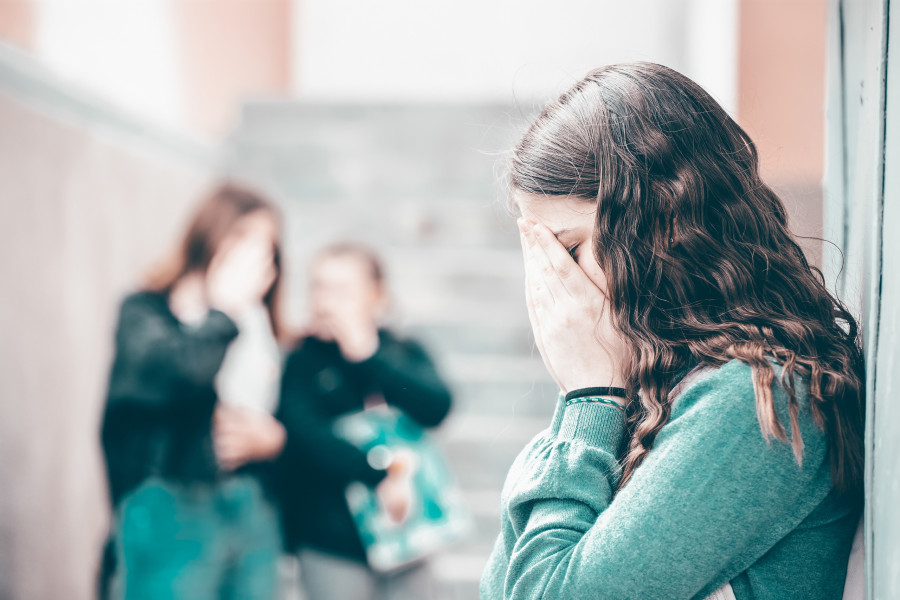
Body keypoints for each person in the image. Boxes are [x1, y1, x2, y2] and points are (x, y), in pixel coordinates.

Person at [480, 62, 865, 600]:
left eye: (568, 251)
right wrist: (587, 402)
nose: (557, 285)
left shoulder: (760, 398)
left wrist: (589, 397)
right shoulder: (656, 388)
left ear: (656, 221)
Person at [100, 183, 289, 599]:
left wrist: (275, 439)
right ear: (210, 233)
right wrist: (223, 309)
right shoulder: (147, 312)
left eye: (266, 246)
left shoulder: (262, 324)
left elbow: (283, 409)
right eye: (243, 239)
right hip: (172, 503)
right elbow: (181, 377)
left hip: (250, 505)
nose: (255, 256)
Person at [277, 242, 453, 600]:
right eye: (318, 287)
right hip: (331, 542)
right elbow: (307, 435)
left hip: (408, 539)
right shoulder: (303, 360)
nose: (325, 301)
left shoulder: (400, 350)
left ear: (376, 295)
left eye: (340, 289)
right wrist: (380, 473)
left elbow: (437, 406)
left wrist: (366, 354)